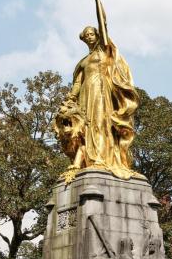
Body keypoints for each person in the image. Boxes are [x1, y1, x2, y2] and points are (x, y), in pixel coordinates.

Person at [55, 16, 139, 180]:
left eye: (91, 34)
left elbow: (103, 24)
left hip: (101, 91)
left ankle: (100, 159)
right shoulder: (83, 61)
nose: (89, 37)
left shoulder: (103, 51)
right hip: (86, 94)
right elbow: (78, 83)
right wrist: (71, 98)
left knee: (100, 122)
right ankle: (87, 159)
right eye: (86, 35)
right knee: (86, 127)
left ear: (97, 35)